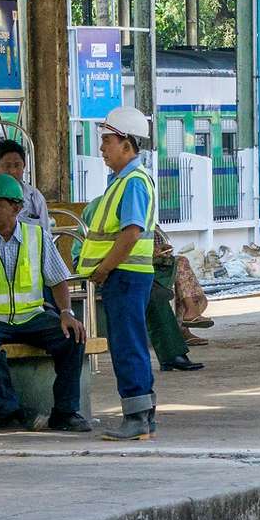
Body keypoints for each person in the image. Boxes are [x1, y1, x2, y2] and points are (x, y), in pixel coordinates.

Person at [0, 173, 91, 433]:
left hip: (33, 316)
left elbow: (57, 279)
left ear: (16, 208)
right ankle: (11, 413)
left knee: (73, 336)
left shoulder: (38, 236)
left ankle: (65, 412)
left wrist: (65, 312)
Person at [79, 105, 159, 442]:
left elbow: (130, 233)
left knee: (128, 346)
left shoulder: (133, 183)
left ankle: (136, 417)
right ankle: (143, 415)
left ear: (127, 144)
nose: (102, 148)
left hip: (124, 275)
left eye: (107, 141)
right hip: (123, 276)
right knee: (130, 344)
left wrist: (103, 268)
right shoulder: (123, 181)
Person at [0, 138, 53, 229]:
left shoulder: (34, 197)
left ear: (24, 167)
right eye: (7, 166)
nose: (13, 171)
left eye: (17, 165)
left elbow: (45, 233)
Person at [147, 229, 203, 372]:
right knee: (157, 295)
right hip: (116, 269)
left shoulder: (141, 214)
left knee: (167, 283)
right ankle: (187, 319)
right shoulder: (127, 211)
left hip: (135, 267)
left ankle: (173, 350)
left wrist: (156, 251)